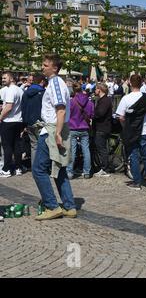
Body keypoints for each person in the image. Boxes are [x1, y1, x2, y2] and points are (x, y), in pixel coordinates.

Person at [33, 53, 76, 220]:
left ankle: (52, 206)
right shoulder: (54, 83)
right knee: (60, 169)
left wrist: (57, 133)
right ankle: (69, 206)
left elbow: (61, 109)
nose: (42, 67)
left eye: (45, 65)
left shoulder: (56, 83)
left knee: (38, 170)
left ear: (54, 68)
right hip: (55, 128)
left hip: (52, 130)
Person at [116, 74, 146, 191]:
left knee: (133, 155)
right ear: (141, 84)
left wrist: (126, 127)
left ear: (130, 83)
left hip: (131, 131)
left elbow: (121, 117)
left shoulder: (126, 98)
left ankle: (137, 182)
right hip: (144, 130)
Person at [66, 82, 94, 180]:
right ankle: (86, 172)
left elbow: (67, 115)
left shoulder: (71, 102)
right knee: (86, 150)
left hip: (72, 128)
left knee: (72, 151)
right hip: (84, 128)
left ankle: (70, 172)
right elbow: (91, 115)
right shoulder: (89, 102)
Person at [0, 72, 24, 177]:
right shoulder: (20, 90)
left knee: (7, 146)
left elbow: (9, 107)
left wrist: (0, 117)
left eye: (5, 78)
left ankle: (6, 169)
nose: (3, 80)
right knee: (16, 145)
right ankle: (18, 168)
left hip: (9, 121)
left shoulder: (11, 90)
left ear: (11, 78)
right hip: (18, 121)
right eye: (2, 78)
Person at [21, 74, 47, 167]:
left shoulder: (25, 93)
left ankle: (34, 168)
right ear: (42, 81)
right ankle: (42, 168)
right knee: (44, 146)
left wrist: (24, 124)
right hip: (41, 123)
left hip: (29, 123)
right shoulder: (44, 93)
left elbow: (22, 108)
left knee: (34, 146)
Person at [93, 83, 113, 177]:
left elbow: (100, 113)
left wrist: (93, 114)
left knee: (102, 149)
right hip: (101, 127)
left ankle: (104, 168)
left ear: (99, 90)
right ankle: (102, 167)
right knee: (101, 148)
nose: (95, 90)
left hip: (102, 127)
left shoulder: (105, 100)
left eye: (96, 89)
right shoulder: (103, 100)